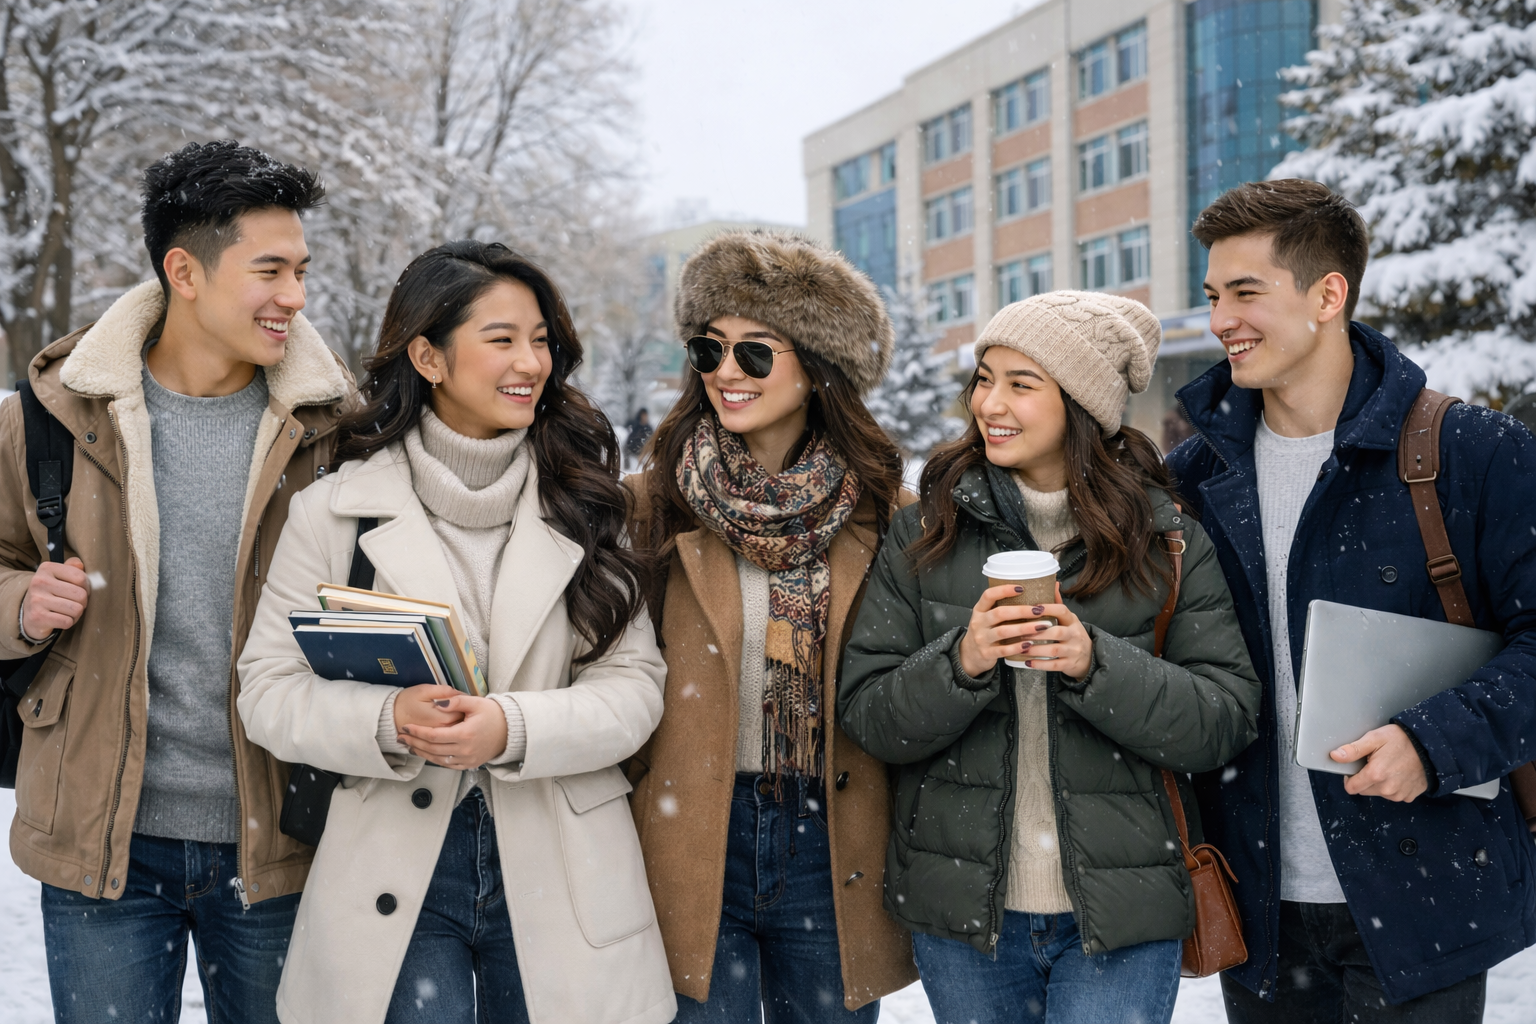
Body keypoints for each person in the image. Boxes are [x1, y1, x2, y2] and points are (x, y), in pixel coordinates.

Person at [235, 241, 674, 1024]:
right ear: (429, 357)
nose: (531, 362)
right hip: (393, 862)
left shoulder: (588, 502)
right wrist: (385, 720)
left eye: (541, 340)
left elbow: (635, 688)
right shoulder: (334, 510)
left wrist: (511, 726)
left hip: (561, 859)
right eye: (501, 339)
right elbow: (268, 691)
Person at [1168, 179, 1536, 1022]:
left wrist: (1431, 742)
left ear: (1329, 294)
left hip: (1425, 901)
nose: (1221, 318)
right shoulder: (1193, 480)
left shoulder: (1471, 453)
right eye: (1214, 295)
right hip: (1258, 907)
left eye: (1247, 292)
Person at [838, 291, 1261, 1024]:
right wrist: (962, 661)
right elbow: (871, 716)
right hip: (967, 914)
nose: (988, 403)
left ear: (1082, 404)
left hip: (1121, 917)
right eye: (984, 378)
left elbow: (1223, 719)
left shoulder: (1165, 540)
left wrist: (1096, 663)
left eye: (1020, 383)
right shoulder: (924, 531)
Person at [0, 141, 344, 1024]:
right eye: (269, 269)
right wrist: (19, 605)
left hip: (280, 837)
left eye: (301, 269)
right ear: (183, 270)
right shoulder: (51, 414)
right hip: (102, 842)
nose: (295, 296)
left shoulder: (333, 429)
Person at [628, 230, 916, 1021]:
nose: (725, 371)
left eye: (755, 353)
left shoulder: (890, 516)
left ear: (818, 368)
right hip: (691, 832)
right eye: (708, 349)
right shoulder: (652, 505)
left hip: (833, 839)